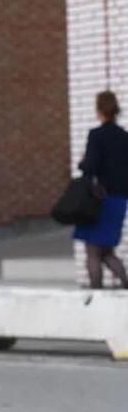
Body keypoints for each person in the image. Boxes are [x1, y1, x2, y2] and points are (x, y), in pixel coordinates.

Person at [74, 90, 128, 289]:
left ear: (99, 111)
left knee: (93, 251)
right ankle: (126, 285)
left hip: (99, 200)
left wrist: (82, 162)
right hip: (119, 200)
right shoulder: (125, 137)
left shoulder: (96, 135)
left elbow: (90, 166)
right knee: (106, 251)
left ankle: (96, 294)